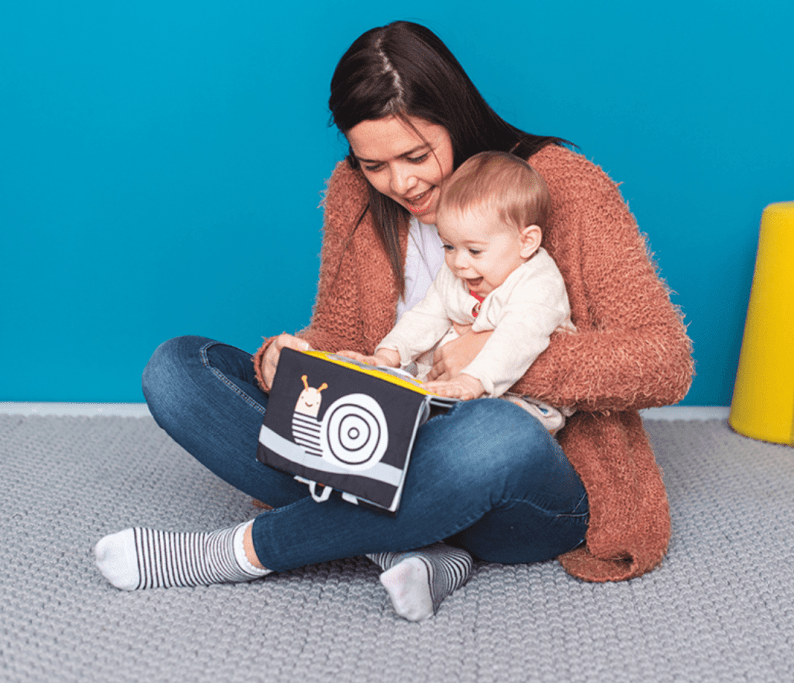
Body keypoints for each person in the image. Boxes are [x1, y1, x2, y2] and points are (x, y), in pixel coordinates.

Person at [93, 21, 694, 622]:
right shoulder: (355, 193)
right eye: (374, 164)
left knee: (491, 434)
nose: (400, 183)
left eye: (415, 155)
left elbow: (666, 361)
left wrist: (492, 361)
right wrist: (301, 356)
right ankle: (415, 547)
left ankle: (240, 552)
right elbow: (343, 333)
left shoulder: (559, 186)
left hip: (525, 479)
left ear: (455, 118)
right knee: (177, 370)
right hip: (381, 445)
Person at [355, 150, 575, 433]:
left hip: (525, 402)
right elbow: (426, 315)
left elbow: (516, 339)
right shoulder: (456, 273)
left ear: (527, 242)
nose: (458, 263)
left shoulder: (538, 283)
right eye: (448, 246)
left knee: (498, 425)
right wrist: (387, 356)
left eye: (474, 250)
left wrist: (472, 381)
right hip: (449, 392)